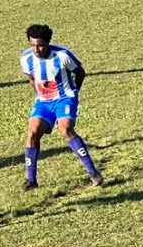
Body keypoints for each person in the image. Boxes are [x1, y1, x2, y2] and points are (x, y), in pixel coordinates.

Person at [20, 24, 103, 190]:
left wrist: (74, 93)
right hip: (43, 101)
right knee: (32, 133)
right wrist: (40, 94)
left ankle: (93, 173)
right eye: (32, 45)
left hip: (65, 98)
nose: (36, 49)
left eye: (40, 45)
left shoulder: (63, 55)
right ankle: (31, 180)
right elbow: (31, 77)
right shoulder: (26, 58)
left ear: (48, 43)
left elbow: (80, 72)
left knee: (65, 130)